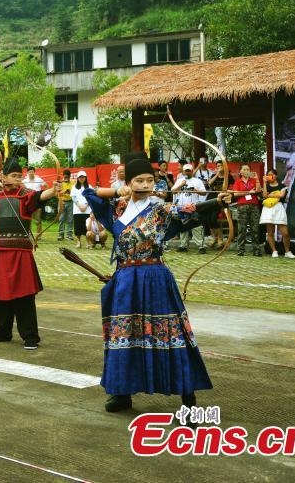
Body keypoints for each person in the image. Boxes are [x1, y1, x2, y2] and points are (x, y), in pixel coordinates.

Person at [83, 151, 223, 413]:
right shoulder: (117, 209)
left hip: (155, 277)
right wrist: (118, 192)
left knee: (170, 333)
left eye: (150, 180)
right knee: (123, 335)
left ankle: (188, 400)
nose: (146, 185)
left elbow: (188, 209)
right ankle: (121, 393)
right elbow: (88, 193)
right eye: (140, 180)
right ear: (129, 182)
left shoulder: (160, 209)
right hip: (125, 279)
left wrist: (217, 202)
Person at [0, 156, 58, 348]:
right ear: (4, 176)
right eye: (14, 175)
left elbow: (39, 197)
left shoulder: (25, 194)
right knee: (2, 293)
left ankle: (30, 336)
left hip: (20, 252)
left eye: (20, 176)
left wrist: (53, 190)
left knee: (24, 294)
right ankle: (3, 331)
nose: (19, 179)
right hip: (1, 250)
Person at [172, 163, 209, 253]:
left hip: (193, 206)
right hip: (181, 206)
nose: (187, 172)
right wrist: (181, 185)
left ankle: (201, 246)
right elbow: (173, 191)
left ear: (192, 171)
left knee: (196, 226)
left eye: (189, 171)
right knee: (183, 225)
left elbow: (204, 193)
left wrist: (196, 191)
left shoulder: (197, 181)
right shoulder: (179, 180)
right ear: (183, 171)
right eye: (186, 171)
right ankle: (183, 245)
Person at [260, 168, 295, 259]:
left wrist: (270, 194)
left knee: (285, 233)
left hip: (279, 207)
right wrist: (264, 183)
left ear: (276, 175)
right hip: (268, 208)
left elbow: (282, 195)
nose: (271, 176)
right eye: (269, 175)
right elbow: (264, 195)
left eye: (272, 174)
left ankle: (287, 251)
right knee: (270, 232)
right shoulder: (266, 185)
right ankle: (274, 251)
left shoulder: (282, 185)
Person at [231, 164, 262, 256]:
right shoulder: (238, 182)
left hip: (254, 206)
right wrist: (248, 192)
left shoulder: (253, 180)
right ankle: (241, 250)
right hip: (242, 206)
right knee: (242, 228)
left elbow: (258, 190)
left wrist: (256, 179)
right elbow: (236, 194)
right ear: (240, 171)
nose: (246, 171)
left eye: (248, 169)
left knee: (255, 228)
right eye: (244, 169)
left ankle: (256, 250)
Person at [206, 159, 234, 248]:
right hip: (212, 197)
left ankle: (219, 238)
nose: (219, 167)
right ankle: (215, 237)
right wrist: (217, 174)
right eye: (217, 166)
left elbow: (225, 188)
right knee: (208, 217)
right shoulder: (214, 175)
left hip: (221, 199)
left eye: (221, 166)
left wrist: (224, 174)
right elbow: (209, 184)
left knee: (214, 217)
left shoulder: (229, 177)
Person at [22, 166, 48, 237]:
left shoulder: (38, 179)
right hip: (28, 201)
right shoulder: (24, 181)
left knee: (38, 220)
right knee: (28, 219)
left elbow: (46, 185)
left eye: (32, 172)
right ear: (27, 173)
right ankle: (28, 234)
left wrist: (43, 194)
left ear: (34, 172)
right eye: (29, 172)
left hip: (37, 201)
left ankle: (38, 235)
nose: (31, 173)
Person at [70, 171, 92, 249]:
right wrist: (79, 205)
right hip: (77, 210)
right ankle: (78, 242)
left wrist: (86, 205)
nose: (82, 178)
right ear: (78, 178)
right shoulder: (74, 187)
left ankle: (88, 242)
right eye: (80, 177)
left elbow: (91, 197)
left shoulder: (89, 186)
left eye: (83, 177)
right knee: (78, 227)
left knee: (87, 227)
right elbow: (73, 197)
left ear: (86, 178)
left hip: (87, 210)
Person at [57, 169, 74, 241]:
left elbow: (73, 192)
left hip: (70, 202)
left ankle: (69, 235)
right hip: (62, 202)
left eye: (68, 176)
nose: (66, 178)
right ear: (63, 176)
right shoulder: (60, 183)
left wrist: (69, 192)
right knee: (61, 219)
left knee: (70, 219)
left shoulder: (73, 183)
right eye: (65, 176)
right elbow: (57, 193)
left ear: (70, 176)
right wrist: (64, 192)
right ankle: (61, 235)